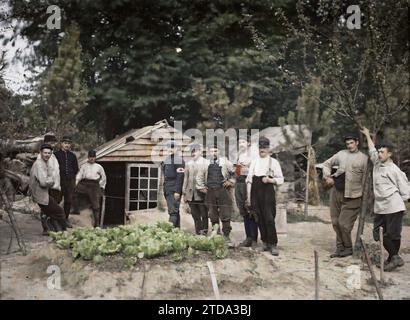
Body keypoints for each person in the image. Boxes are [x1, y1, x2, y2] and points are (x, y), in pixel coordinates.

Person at [361, 127, 410, 271]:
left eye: (382, 152)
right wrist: (367, 135)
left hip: (393, 206)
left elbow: (405, 187)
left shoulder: (394, 170)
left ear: (390, 154)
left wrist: (407, 202)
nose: (379, 154)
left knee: (392, 235)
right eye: (379, 151)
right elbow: (371, 149)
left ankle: (393, 259)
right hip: (381, 207)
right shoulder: (377, 162)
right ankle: (394, 257)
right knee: (378, 233)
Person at [322, 132, 368, 258]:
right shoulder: (341, 154)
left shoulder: (364, 159)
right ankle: (339, 248)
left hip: (353, 196)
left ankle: (348, 248)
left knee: (344, 224)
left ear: (357, 142)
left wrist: (365, 198)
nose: (349, 146)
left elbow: (366, 180)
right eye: (347, 143)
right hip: (337, 192)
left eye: (351, 143)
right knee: (335, 222)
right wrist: (327, 177)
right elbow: (326, 164)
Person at [246, 137, 284, 256]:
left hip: (267, 192)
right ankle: (265, 243)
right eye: (260, 147)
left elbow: (281, 179)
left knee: (269, 218)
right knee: (259, 218)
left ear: (268, 149)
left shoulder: (273, 162)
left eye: (265, 147)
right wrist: (248, 197)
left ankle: (273, 244)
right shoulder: (254, 162)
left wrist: (269, 180)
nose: (262, 149)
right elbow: (249, 180)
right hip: (255, 192)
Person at [196, 144, 235, 245]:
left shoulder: (225, 162)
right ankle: (216, 235)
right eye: (211, 151)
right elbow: (199, 177)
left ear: (219, 152)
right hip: (210, 192)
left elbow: (235, 173)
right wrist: (203, 188)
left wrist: (230, 182)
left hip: (223, 191)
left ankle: (226, 236)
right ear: (209, 152)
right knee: (212, 214)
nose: (213, 153)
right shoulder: (204, 163)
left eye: (215, 151)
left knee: (225, 213)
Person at [29, 144, 67, 233]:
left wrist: (49, 180)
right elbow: (43, 183)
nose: (47, 155)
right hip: (40, 194)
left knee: (50, 212)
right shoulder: (39, 164)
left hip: (43, 193)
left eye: (49, 153)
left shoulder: (46, 163)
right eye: (45, 153)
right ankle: (62, 231)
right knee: (59, 212)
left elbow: (48, 178)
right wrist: (52, 181)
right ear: (41, 153)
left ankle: (52, 231)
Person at [36, 134, 64, 232]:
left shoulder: (53, 156)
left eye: (53, 143)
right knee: (46, 209)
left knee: (53, 208)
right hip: (46, 187)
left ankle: (53, 228)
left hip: (55, 186)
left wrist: (58, 185)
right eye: (50, 142)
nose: (52, 144)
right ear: (45, 143)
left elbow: (56, 172)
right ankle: (46, 228)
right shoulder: (41, 157)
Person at [73, 150, 106, 227]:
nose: (91, 159)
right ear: (88, 157)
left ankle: (97, 223)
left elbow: (103, 177)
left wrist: (101, 187)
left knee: (96, 205)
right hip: (84, 183)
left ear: (95, 158)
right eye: (90, 157)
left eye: (93, 157)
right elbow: (79, 175)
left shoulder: (99, 167)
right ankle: (76, 210)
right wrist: (75, 184)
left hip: (94, 185)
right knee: (73, 192)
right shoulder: (84, 166)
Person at [236, 135, 258, 248]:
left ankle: (254, 239)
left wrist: (247, 167)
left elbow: (256, 170)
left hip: (249, 183)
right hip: (239, 183)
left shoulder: (253, 155)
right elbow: (238, 171)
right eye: (239, 142)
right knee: (243, 211)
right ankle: (248, 238)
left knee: (251, 211)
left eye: (243, 142)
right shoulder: (239, 155)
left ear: (249, 143)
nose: (241, 144)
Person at [182, 143, 209, 235]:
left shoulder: (206, 163)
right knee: (195, 215)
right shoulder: (188, 163)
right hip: (191, 194)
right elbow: (185, 178)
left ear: (200, 152)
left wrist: (206, 190)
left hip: (202, 194)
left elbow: (207, 178)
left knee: (204, 214)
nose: (193, 153)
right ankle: (198, 232)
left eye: (195, 151)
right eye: (192, 151)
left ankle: (204, 232)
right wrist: (184, 193)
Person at [54, 136, 79, 223]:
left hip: (70, 181)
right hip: (59, 180)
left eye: (68, 143)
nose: (67, 145)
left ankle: (65, 219)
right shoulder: (56, 155)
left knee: (68, 200)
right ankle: (55, 218)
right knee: (57, 199)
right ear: (61, 144)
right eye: (65, 143)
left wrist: (71, 177)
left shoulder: (73, 156)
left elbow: (76, 168)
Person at [162, 141, 185, 228]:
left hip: (174, 188)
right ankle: (177, 232)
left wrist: (177, 191)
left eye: (173, 147)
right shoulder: (167, 159)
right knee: (175, 211)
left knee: (173, 212)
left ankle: (169, 232)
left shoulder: (178, 160)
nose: (170, 149)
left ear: (176, 149)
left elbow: (180, 176)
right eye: (169, 147)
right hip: (168, 188)